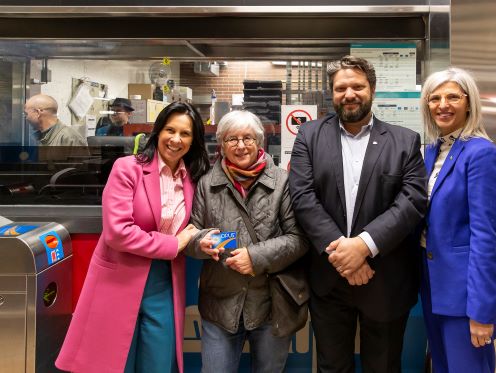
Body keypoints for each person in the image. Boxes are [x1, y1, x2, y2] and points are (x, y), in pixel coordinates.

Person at [289, 55, 427, 372]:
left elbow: (412, 200)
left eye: (357, 86)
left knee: (384, 367)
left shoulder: (404, 141)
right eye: (341, 88)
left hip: (385, 279)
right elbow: (303, 196)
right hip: (329, 280)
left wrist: (363, 246)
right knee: (332, 368)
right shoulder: (309, 136)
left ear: (372, 90)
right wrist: (344, 254)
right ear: (332, 92)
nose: (349, 94)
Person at [55, 101, 210, 373]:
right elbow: (118, 232)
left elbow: (195, 225)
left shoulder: (193, 178)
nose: (176, 139)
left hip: (164, 281)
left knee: (158, 364)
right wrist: (175, 243)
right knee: (114, 363)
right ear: (157, 132)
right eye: (169, 130)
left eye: (185, 133)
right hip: (119, 278)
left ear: (194, 139)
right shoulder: (128, 168)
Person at [185, 110, 308, 373]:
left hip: (271, 303)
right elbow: (190, 235)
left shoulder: (282, 183)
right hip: (220, 303)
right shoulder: (207, 184)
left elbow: (299, 239)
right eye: (232, 139)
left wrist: (254, 257)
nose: (240, 146)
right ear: (221, 144)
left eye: (248, 138)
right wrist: (200, 243)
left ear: (260, 141)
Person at [419, 67, 496, 373]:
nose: (442, 104)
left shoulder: (482, 154)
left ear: (469, 102)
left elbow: (486, 239)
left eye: (452, 97)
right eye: (435, 98)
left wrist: (482, 311)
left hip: (466, 295)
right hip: (435, 286)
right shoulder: (433, 152)